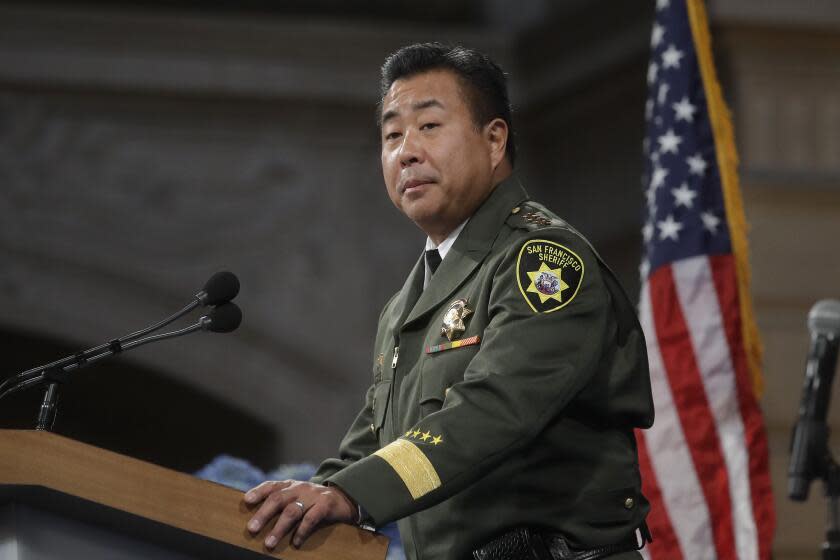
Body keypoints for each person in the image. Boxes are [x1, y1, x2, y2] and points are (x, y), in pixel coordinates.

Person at [244, 42, 654, 560]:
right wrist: (301, 501)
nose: (406, 151)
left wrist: (350, 494)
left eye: (429, 127)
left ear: (494, 140)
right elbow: (375, 438)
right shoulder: (407, 303)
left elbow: (493, 411)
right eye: (392, 135)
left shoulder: (543, 261)